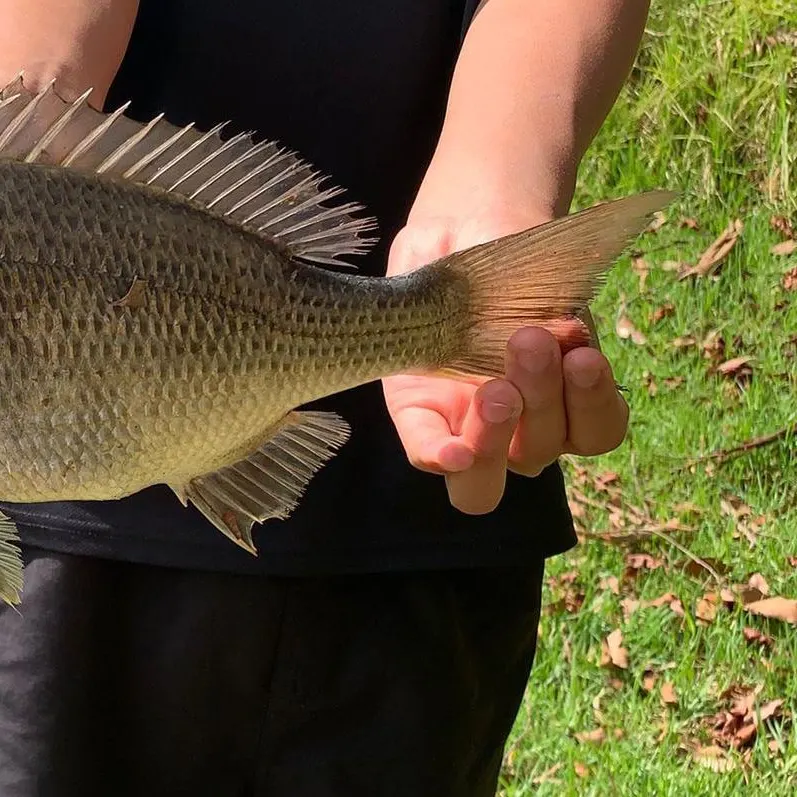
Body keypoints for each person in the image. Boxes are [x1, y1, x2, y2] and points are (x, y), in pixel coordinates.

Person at [0, 1, 647, 794]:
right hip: (62, 570)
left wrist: (503, 173)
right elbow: (38, 87)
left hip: (413, 519)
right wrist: (30, 89)